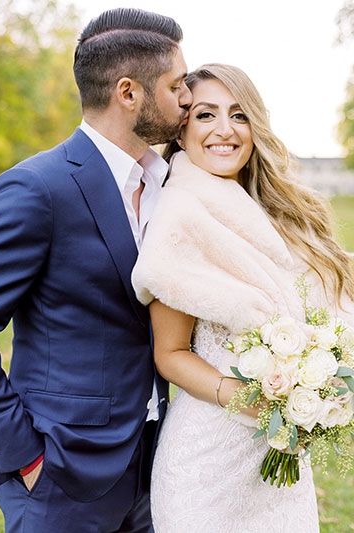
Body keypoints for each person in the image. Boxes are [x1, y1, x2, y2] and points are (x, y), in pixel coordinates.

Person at [0, 8, 192, 532]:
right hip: (59, 477)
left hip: (156, 468)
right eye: (177, 85)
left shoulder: (172, 186)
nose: (188, 98)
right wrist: (23, 457)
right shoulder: (36, 188)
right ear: (128, 93)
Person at [132, 63, 354, 532]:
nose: (224, 130)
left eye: (239, 115)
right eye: (206, 115)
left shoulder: (283, 212)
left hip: (281, 460)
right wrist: (256, 401)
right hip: (207, 462)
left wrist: (317, 387)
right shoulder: (181, 216)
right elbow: (169, 355)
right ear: (182, 129)